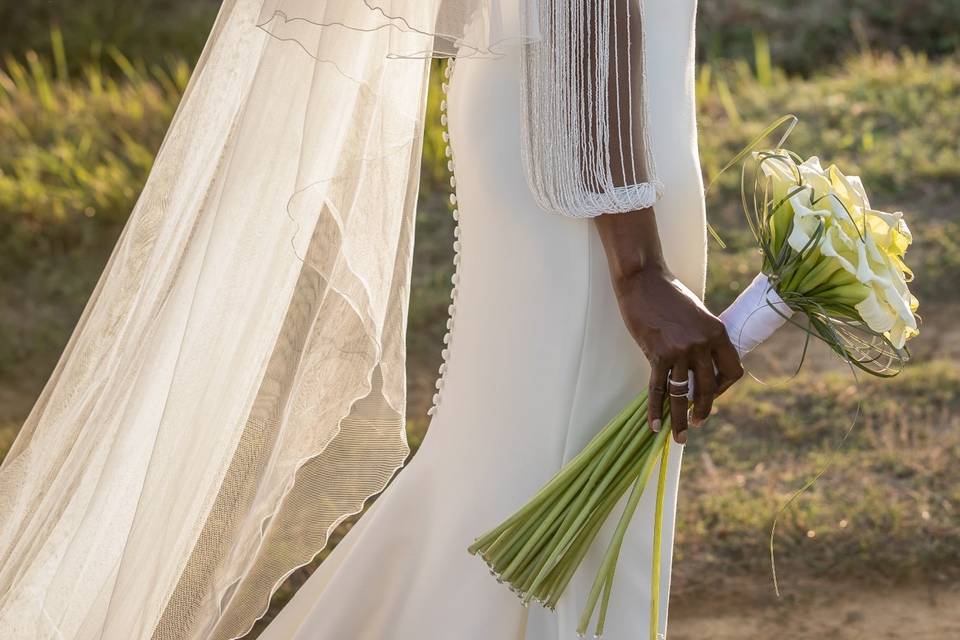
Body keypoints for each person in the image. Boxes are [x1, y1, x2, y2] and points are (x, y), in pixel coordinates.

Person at [0, 1, 742, 638]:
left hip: (583, 121)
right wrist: (637, 266)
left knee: (514, 472)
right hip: (586, 145)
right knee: (539, 480)